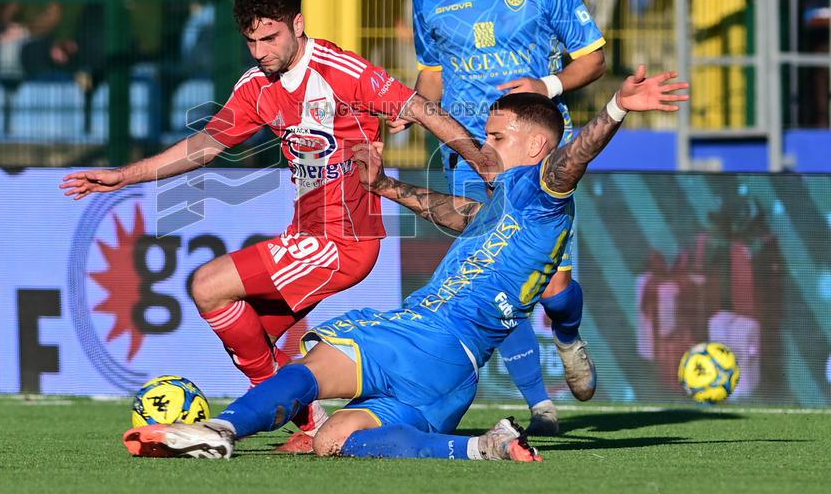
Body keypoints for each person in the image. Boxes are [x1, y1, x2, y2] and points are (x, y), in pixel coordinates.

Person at [121, 66, 689, 461]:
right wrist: (386, 186)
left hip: (424, 334)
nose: (483, 146)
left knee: (314, 366)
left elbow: (571, 160)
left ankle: (221, 429)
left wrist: (615, 108)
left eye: (495, 136)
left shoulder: (543, 189)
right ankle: (478, 448)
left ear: (535, 148)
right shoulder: (508, 205)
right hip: (451, 379)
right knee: (333, 439)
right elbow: (457, 212)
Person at [61, 0, 495, 450]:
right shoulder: (256, 87)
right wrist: (125, 176)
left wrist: (482, 160)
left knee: (207, 285)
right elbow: (205, 146)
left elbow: (419, 108)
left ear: (298, 24)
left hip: (344, 237)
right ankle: (316, 425)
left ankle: (294, 422)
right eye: (251, 40)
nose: (259, 50)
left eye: (270, 37)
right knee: (250, 338)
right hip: (307, 231)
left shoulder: (341, 70)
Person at [390, 0, 607, 434]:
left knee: (550, 285)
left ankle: (566, 332)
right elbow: (432, 76)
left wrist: (548, 86)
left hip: (536, 155)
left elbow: (594, 58)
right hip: (471, 159)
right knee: (495, 283)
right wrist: (410, 112)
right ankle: (541, 406)